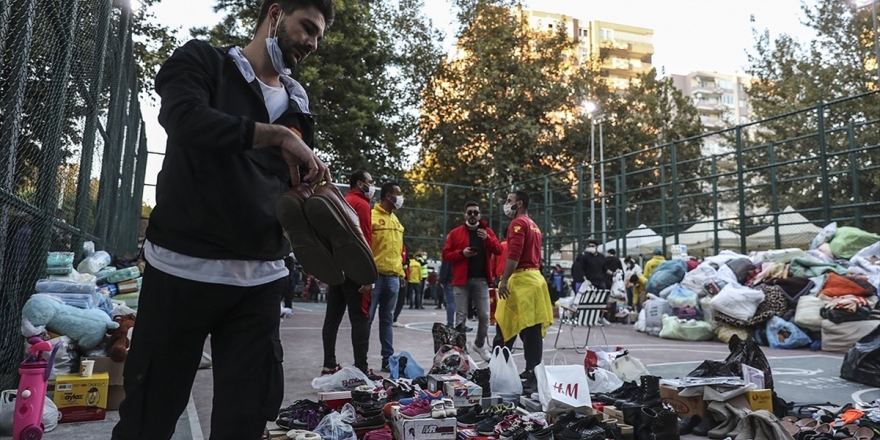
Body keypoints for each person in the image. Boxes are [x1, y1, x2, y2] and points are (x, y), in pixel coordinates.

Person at [112, 1, 334, 438]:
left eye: (318, 37)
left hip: (261, 283)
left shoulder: (298, 102)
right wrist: (276, 135)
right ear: (275, 13)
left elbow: (277, 179)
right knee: (148, 418)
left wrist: (309, 196)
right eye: (307, 28)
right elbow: (185, 120)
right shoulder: (202, 59)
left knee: (244, 422)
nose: (311, 43)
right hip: (181, 271)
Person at [320, 170, 376, 377]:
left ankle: (328, 365)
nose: (372, 185)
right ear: (361, 184)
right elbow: (365, 240)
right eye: (370, 182)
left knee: (332, 318)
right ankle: (361, 367)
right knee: (360, 318)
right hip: (355, 268)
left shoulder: (339, 202)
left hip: (337, 266)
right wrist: (368, 275)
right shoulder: (362, 205)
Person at [496, 191, 554, 387]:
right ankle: (532, 371)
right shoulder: (535, 226)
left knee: (506, 325)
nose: (506, 204)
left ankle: (498, 369)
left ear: (519, 203)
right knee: (532, 329)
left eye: (509, 201)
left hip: (522, 281)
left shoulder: (517, 223)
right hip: (536, 280)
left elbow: (514, 255)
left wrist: (504, 280)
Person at [441, 201, 502, 361]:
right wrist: (462, 253)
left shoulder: (487, 232)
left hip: (481, 280)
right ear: (465, 215)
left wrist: (488, 238)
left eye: (476, 212)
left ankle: (479, 344)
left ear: (480, 215)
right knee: (460, 316)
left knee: (485, 315)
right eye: (470, 213)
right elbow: (446, 255)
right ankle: (462, 349)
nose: (473, 215)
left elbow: (499, 250)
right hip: (461, 280)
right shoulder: (455, 233)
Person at [369, 181, 405, 372]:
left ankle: (387, 359)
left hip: (393, 278)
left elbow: (399, 250)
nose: (401, 197)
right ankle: (362, 361)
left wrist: (401, 272)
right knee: (366, 319)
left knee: (387, 321)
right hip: (374, 277)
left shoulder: (396, 221)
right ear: (388, 196)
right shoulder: (371, 216)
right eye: (398, 194)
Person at [438, 259, 455, 326]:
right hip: (461, 279)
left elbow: (445, 267)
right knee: (461, 304)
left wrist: (442, 280)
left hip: (450, 279)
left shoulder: (449, 252)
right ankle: (461, 323)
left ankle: (450, 323)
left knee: (450, 302)